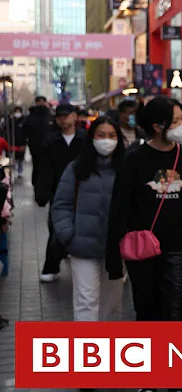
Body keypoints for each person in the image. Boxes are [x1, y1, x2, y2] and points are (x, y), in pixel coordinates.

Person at [106, 96, 182, 392]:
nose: (180, 126)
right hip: (142, 249)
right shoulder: (134, 159)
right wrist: (113, 256)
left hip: (178, 247)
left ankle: (177, 378)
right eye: (174, 121)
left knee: (176, 313)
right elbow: (119, 206)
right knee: (146, 312)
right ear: (158, 126)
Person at [51, 116, 126, 323]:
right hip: (82, 248)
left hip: (115, 249)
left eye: (111, 135)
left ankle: (110, 350)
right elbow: (61, 205)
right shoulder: (76, 169)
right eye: (101, 135)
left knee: (112, 305)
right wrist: (69, 236)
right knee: (86, 303)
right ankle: (88, 350)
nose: (106, 140)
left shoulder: (126, 169)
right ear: (91, 137)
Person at [36, 104, 86, 283]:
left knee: (85, 227)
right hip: (58, 193)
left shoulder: (85, 139)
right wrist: (41, 192)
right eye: (60, 117)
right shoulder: (51, 141)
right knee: (56, 229)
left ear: (75, 117)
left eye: (67, 116)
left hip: (84, 192)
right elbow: (43, 169)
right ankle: (51, 267)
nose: (64, 120)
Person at [23, 96, 53, 187]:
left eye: (42, 101)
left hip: (49, 147)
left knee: (48, 166)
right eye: (39, 101)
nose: (41, 103)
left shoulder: (50, 116)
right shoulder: (30, 117)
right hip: (35, 147)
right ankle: (37, 184)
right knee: (37, 166)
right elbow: (25, 131)